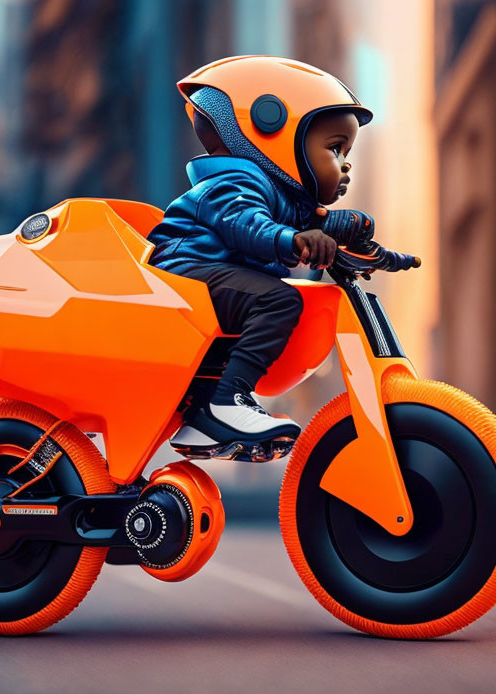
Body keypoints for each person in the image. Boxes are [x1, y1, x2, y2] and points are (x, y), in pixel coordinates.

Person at [147, 56, 378, 457]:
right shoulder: (234, 181)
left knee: (259, 306)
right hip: (183, 274)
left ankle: (203, 416)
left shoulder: (278, 196)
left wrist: (359, 232)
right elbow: (247, 224)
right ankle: (226, 402)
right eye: (335, 149)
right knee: (276, 299)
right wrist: (294, 241)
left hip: (206, 278)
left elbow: (315, 219)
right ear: (272, 132)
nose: (345, 166)